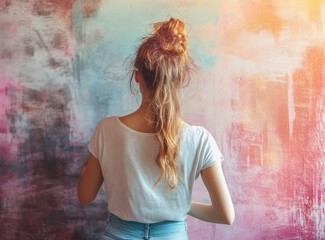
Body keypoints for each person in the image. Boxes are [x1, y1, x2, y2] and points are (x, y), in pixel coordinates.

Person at [77, 17, 234, 240]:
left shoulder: (106, 130)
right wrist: (181, 205)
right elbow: (225, 215)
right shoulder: (200, 139)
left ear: (137, 76)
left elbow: (85, 195)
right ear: (179, 79)